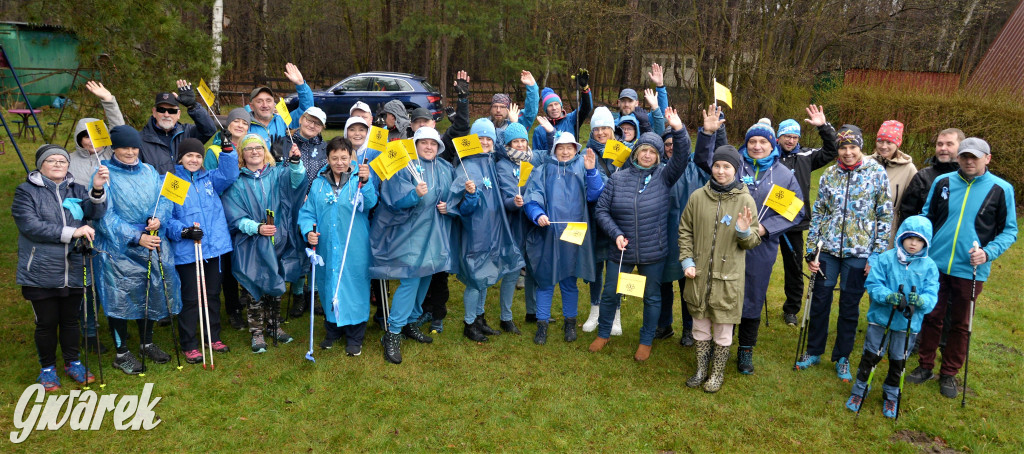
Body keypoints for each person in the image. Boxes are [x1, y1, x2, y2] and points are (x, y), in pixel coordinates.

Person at [907, 138, 1017, 398]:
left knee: (960, 323)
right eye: (965, 156)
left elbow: (1009, 230)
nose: (969, 161)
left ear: (987, 159)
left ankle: (949, 373)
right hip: (935, 264)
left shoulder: (1002, 189)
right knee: (931, 315)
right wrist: (919, 238)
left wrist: (988, 253)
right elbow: (927, 215)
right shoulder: (942, 182)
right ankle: (925, 366)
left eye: (975, 157)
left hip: (971, 269)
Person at [696, 113, 804, 374]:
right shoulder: (734, 165)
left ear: (772, 145)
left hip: (760, 246)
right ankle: (718, 344)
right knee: (721, 290)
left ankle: (745, 349)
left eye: (762, 142)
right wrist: (707, 134)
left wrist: (766, 228)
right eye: (752, 141)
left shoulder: (783, 175)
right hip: (725, 242)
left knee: (752, 295)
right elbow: (702, 161)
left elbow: (795, 212)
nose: (757, 146)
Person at [590, 109, 692, 362]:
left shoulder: (665, 177)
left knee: (652, 296)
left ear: (658, 157)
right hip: (621, 249)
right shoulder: (618, 178)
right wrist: (615, 234)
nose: (647, 155)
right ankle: (603, 333)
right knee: (610, 292)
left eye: (653, 152)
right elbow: (601, 210)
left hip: (652, 249)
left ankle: (646, 340)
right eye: (643, 150)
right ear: (636, 152)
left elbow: (681, 156)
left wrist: (678, 130)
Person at [797, 125, 892, 382]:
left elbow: (885, 215)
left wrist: (876, 255)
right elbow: (819, 213)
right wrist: (810, 251)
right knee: (820, 300)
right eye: (843, 147)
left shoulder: (876, 173)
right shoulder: (829, 174)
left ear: (861, 147)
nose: (847, 152)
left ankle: (842, 357)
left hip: (859, 253)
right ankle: (814, 350)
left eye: (852, 147)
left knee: (849, 306)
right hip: (827, 250)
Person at [14, 144, 108, 391]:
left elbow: (95, 212)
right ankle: (47, 369)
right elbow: (30, 226)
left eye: (62, 161)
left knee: (70, 320)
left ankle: (73, 362)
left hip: (74, 266)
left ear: (68, 165)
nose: (58, 164)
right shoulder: (26, 192)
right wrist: (72, 231)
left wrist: (97, 188)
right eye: (51, 160)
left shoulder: (76, 188)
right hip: (40, 269)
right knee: (46, 322)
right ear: (40, 165)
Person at [93, 126, 182, 374]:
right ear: (114, 148)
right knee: (119, 296)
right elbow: (104, 216)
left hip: (151, 241)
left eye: (134, 147)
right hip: (117, 246)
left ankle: (147, 342)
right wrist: (135, 236)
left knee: (151, 290)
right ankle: (121, 353)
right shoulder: (104, 174)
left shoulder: (149, 171)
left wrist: (159, 219)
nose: (130, 152)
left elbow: (163, 199)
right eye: (125, 147)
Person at [369, 128, 460, 363]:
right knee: (410, 279)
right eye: (424, 143)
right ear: (416, 144)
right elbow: (393, 198)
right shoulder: (405, 166)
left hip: (435, 233)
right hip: (410, 233)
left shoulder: (444, 168)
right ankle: (393, 332)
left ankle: (411, 321)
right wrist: (414, 195)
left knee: (426, 276)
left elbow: (454, 196)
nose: (429, 147)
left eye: (433, 143)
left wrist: (449, 207)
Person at [678, 145, 760, 393]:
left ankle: (717, 373)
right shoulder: (697, 197)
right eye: (717, 166)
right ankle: (701, 369)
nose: (721, 171)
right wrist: (687, 260)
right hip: (698, 274)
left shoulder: (745, 200)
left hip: (728, 277)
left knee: (723, 326)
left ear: (735, 169)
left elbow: (753, 240)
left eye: (727, 166)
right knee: (700, 324)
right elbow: (685, 231)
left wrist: (744, 230)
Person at [846, 215, 938, 418]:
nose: (914, 243)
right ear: (901, 237)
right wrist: (888, 296)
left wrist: (921, 301)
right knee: (871, 355)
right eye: (910, 237)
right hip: (881, 318)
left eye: (919, 240)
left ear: (926, 242)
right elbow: (873, 284)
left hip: (907, 324)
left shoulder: (929, 266)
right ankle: (860, 391)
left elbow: (932, 295)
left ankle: (891, 395)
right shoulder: (886, 259)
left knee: (898, 361)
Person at [221, 134, 306, 353]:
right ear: (242, 154)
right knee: (254, 285)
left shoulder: (277, 174)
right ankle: (257, 332)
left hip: (277, 240)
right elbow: (234, 215)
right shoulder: (236, 181)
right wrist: (256, 227)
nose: (254, 152)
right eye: (249, 149)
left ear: (264, 150)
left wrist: (295, 163)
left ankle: (274, 325)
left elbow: (297, 182)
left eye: (258, 147)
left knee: (276, 285)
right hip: (250, 243)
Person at [403, 71, 473, 333]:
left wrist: (463, 99)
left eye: (427, 122)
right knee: (420, 272)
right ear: (412, 127)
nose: (423, 126)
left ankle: (437, 315)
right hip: (414, 223)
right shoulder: (407, 150)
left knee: (438, 273)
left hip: (439, 222)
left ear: (434, 124)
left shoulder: (440, 145)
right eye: (418, 123)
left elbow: (461, 129)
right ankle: (416, 313)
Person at [298, 137, 376, 356]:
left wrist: (367, 183)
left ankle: (355, 336)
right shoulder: (319, 183)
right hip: (326, 246)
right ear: (328, 158)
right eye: (335, 158)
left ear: (351, 157)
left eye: (344, 157)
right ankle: (333, 330)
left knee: (354, 285)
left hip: (354, 246)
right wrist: (309, 232)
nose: (340, 162)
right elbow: (307, 213)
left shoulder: (359, 179)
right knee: (328, 284)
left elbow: (369, 203)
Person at [522, 132, 603, 344]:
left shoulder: (583, 167)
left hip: (574, 236)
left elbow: (595, 195)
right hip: (548, 234)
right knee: (545, 281)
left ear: (576, 149)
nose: (565, 152)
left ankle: (570, 322)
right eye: (561, 147)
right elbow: (532, 198)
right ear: (554, 149)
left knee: (569, 280)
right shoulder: (543, 170)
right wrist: (537, 214)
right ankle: (542, 324)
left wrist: (592, 171)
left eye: (570, 147)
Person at [450, 119, 524, 342]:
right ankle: (469, 322)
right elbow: (463, 208)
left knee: (486, 273)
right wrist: (471, 195)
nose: (484, 142)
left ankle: (480, 318)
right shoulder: (467, 166)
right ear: (472, 140)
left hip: (493, 229)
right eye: (480, 138)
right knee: (475, 277)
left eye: (488, 138)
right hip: (476, 232)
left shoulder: (490, 161)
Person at [166, 138, 239, 363]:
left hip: (213, 249)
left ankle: (212, 336)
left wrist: (228, 151)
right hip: (189, 250)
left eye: (198, 156)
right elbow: (167, 217)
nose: (194, 160)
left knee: (212, 295)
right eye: (189, 156)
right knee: (190, 298)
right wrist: (184, 231)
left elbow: (229, 174)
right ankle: (189, 343)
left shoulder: (210, 179)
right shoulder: (174, 182)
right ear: (180, 158)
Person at [68, 80, 126, 353]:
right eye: (85, 136)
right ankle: (89, 333)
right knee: (88, 288)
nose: (91, 142)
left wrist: (109, 100)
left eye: (95, 136)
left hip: (114, 229)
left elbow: (119, 127)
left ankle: (119, 331)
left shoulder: (113, 156)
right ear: (79, 138)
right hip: (87, 230)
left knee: (114, 282)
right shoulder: (68, 161)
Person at [774, 106, 838, 326]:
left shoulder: (806, 156)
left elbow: (832, 150)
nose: (790, 141)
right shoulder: (769, 155)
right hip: (766, 220)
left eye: (794, 137)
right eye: (786, 136)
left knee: (793, 267)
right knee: (758, 264)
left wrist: (823, 127)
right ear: (778, 136)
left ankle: (791, 309)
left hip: (794, 222)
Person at [654, 118, 713, 345]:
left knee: (689, 285)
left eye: (674, 143)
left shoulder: (697, 169)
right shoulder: (658, 171)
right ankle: (664, 324)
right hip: (664, 235)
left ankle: (689, 329)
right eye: (667, 144)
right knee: (663, 283)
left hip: (692, 236)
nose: (671, 147)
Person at [494, 121, 549, 336]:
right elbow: (508, 197)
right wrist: (515, 202)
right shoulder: (503, 166)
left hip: (533, 223)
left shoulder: (533, 160)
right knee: (513, 270)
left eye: (522, 141)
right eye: (515, 142)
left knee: (533, 268)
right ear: (508, 144)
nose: (519, 145)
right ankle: (505, 317)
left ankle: (532, 311)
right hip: (514, 223)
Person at [203, 107, 251, 330]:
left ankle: (250, 302)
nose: (240, 125)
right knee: (229, 264)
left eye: (245, 123)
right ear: (228, 125)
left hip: (249, 211)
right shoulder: (214, 149)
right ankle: (233, 309)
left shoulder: (251, 146)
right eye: (236, 121)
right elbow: (214, 183)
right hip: (224, 213)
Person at [285, 106, 330, 318]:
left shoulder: (325, 148)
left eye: (317, 123)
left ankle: (313, 293)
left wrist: (312, 195)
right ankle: (297, 295)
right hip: (292, 204)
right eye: (309, 120)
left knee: (315, 247)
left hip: (316, 205)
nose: (312, 125)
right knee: (297, 249)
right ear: (301, 119)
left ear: (322, 127)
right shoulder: (285, 142)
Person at [137, 81, 218, 174]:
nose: (166, 114)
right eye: (161, 110)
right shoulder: (140, 140)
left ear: (179, 114)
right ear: (154, 112)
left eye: (172, 111)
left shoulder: (187, 133)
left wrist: (193, 106)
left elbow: (209, 129)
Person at [898, 128, 963, 221]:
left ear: (961, 147)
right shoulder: (922, 178)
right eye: (940, 144)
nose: (943, 148)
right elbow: (907, 215)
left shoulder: (969, 178)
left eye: (949, 144)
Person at [868, 120, 916, 238]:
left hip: (889, 230)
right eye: (880, 141)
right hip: (862, 227)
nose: (883, 146)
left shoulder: (908, 169)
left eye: (889, 142)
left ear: (897, 144)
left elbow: (914, 202)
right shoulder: (865, 162)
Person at [246, 63, 313, 146]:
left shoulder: (284, 121)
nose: (265, 105)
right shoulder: (245, 125)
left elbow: (306, 110)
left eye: (268, 100)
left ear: (274, 104)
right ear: (251, 106)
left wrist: (301, 85)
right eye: (259, 101)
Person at [531, 69, 593, 151]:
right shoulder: (539, 131)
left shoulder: (572, 119)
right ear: (546, 109)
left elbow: (586, 107)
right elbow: (536, 155)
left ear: (561, 106)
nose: (554, 108)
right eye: (550, 105)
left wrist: (585, 88)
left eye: (556, 104)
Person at [487, 70, 539, 149]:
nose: (498, 110)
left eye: (502, 107)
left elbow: (531, 112)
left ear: (508, 108)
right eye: (495, 106)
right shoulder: (485, 125)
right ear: (491, 108)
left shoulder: (518, 121)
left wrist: (532, 88)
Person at [613, 63, 668, 135]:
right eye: (623, 101)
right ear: (618, 103)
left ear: (636, 103)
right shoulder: (614, 124)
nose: (626, 104)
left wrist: (660, 86)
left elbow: (661, 112)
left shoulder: (645, 119)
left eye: (630, 101)